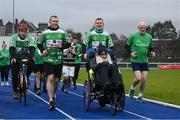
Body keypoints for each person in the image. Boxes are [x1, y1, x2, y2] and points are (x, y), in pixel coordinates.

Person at [38, 15, 70, 110]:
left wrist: (62, 46)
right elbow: (39, 44)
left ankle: (53, 93)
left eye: (57, 21)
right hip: (48, 59)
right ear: (50, 22)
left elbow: (68, 43)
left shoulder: (63, 32)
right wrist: (43, 50)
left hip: (59, 59)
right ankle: (51, 99)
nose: (55, 23)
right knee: (50, 78)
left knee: (56, 80)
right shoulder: (44, 33)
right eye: (53, 21)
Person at [125, 21, 156, 102]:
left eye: (144, 27)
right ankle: (132, 87)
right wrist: (130, 53)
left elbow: (151, 48)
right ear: (138, 28)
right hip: (135, 60)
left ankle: (140, 96)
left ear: (146, 28)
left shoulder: (149, 37)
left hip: (145, 61)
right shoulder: (133, 36)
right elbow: (126, 46)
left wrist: (152, 52)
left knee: (144, 79)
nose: (143, 29)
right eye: (141, 27)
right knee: (138, 78)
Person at [9, 23, 35, 99]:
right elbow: (11, 48)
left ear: (27, 31)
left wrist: (32, 56)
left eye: (25, 31)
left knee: (32, 63)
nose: (23, 33)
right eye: (21, 31)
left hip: (25, 56)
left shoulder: (29, 38)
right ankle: (15, 92)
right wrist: (13, 57)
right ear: (19, 31)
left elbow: (31, 48)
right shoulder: (14, 37)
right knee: (14, 74)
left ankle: (26, 76)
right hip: (15, 56)